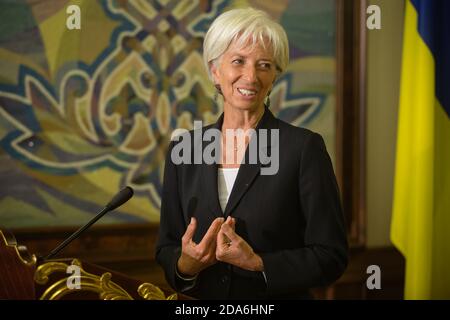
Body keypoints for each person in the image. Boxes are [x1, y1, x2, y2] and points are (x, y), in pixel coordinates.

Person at [156, 7, 348, 299]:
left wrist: (258, 263)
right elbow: (167, 247)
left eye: (264, 65)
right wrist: (186, 265)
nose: (251, 76)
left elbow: (331, 255)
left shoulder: (303, 149)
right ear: (215, 70)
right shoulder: (184, 150)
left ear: (274, 76)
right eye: (238, 61)